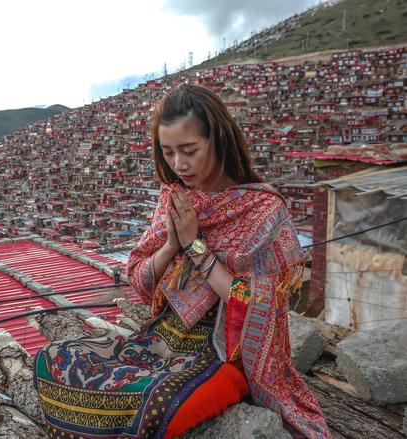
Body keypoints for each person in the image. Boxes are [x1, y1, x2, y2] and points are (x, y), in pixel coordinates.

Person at [33, 84, 331, 438]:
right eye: (168, 152)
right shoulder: (174, 199)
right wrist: (171, 245)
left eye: (189, 150)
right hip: (160, 338)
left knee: (157, 402)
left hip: (222, 352)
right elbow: (142, 283)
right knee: (54, 359)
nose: (179, 164)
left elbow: (254, 306)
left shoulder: (263, 211)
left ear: (218, 140)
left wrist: (195, 247)